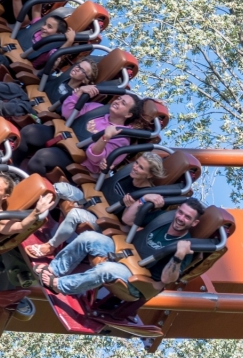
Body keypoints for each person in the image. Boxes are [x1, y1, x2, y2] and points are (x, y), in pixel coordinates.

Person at [36, 198, 204, 297]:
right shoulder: (163, 218)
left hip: (137, 278)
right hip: (125, 252)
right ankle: (54, 270)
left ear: (194, 223)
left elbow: (167, 280)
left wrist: (178, 256)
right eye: (180, 212)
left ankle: (60, 285)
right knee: (88, 237)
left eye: (187, 217)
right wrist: (143, 200)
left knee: (105, 269)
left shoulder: (185, 246)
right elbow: (128, 220)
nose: (180, 218)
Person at [25, 152, 167, 258]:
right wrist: (104, 170)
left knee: (75, 214)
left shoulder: (146, 196)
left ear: (149, 175)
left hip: (104, 221)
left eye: (141, 168)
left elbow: (128, 222)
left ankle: (50, 246)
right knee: (60, 187)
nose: (135, 167)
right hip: (94, 200)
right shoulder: (127, 174)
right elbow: (107, 187)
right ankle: (35, 219)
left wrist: (130, 206)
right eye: (136, 163)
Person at [15, 90, 142, 177]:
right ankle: (12, 167)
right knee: (29, 131)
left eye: (123, 103)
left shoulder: (122, 139)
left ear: (128, 114)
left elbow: (95, 159)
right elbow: (68, 113)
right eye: (118, 99)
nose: (117, 102)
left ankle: (28, 187)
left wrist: (106, 137)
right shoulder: (97, 108)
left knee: (41, 158)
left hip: (76, 157)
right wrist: (79, 93)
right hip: (64, 136)